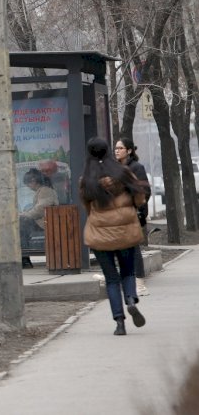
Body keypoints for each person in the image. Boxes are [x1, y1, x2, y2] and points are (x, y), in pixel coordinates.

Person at [80, 137, 148, 336]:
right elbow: (140, 196)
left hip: (100, 235)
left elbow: (87, 207)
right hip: (125, 231)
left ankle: (119, 323)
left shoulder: (86, 179)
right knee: (128, 272)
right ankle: (130, 299)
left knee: (111, 279)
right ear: (108, 151)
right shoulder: (123, 173)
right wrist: (133, 207)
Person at [115, 137, 152, 296]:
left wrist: (136, 207)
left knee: (133, 248)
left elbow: (145, 191)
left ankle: (140, 283)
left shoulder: (137, 167)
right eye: (116, 148)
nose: (117, 150)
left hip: (133, 213)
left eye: (120, 148)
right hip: (117, 214)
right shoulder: (115, 168)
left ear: (129, 151)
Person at [19, 168, 59, 248]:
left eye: (28, 184)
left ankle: (25, 253)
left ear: (33, 181)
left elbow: (40, 210)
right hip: (46, 221)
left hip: (46, 223)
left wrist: (25, 215)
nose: (28, 187)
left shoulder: (45, 190)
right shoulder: (43, 190)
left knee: (21, 225)